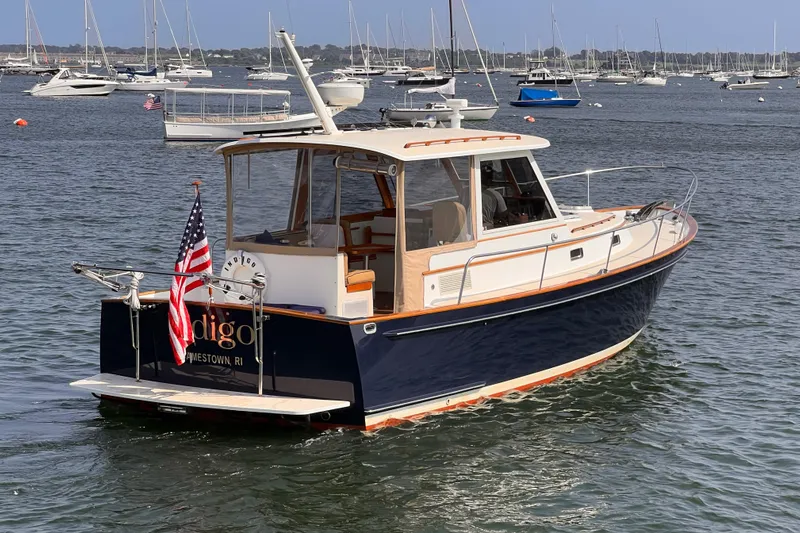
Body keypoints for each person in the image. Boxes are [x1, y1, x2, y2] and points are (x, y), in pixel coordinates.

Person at [481, 163, 527, 229]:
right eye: (491, 177)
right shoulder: (495, 195)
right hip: (486, 228)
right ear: (490, 179)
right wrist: (518, 218)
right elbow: (504, 215)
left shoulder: (468, 191)